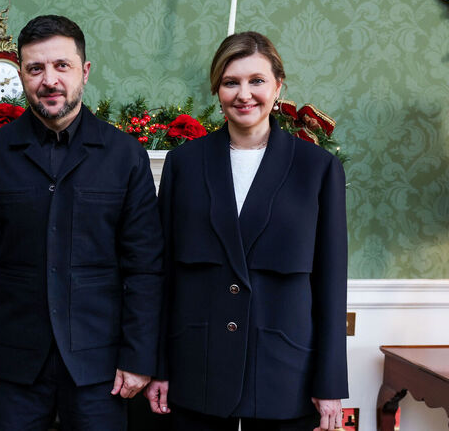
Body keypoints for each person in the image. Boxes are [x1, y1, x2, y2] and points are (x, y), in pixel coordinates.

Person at [0, 15, 164, 430]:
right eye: (35, 68)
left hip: (101, 366)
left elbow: (145, 267)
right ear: (22, 76)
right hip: (11, 365)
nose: (49, 80)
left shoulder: (125, 156)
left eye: (62, 65)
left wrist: (139, 356)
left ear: (85, 71)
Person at [144, 31, 348, 431]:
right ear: (216, 89)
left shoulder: (318, 168)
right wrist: (158, 366)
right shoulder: (184, 163)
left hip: (284, 374)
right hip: (195, 368)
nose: (244, 94)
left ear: (278, 86)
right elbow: (162, 274)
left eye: (257, 81)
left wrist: (330, 383)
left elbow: (330, 283)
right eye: (230, 82)